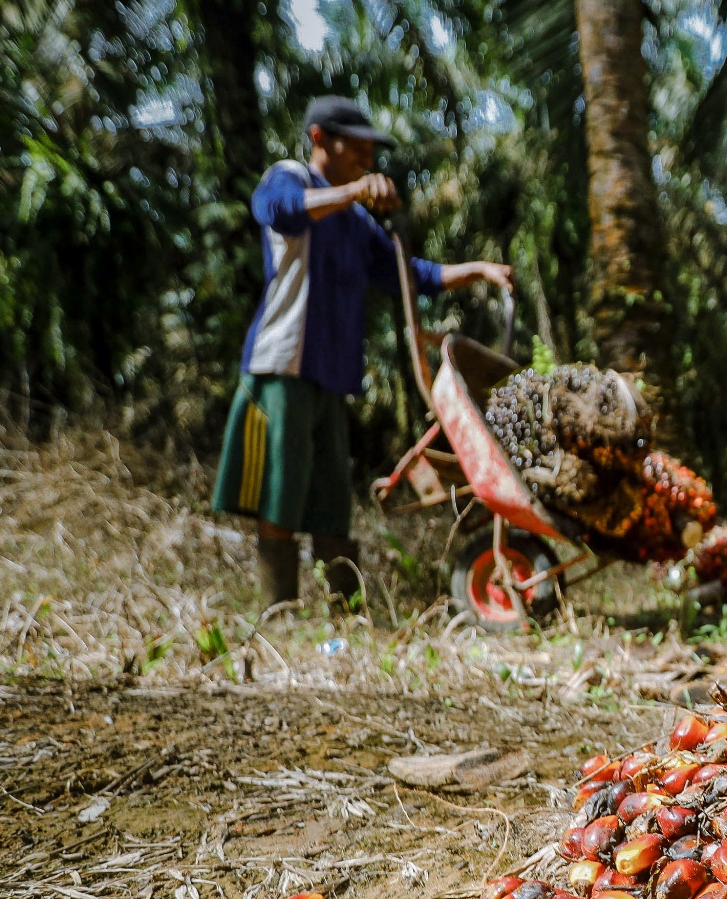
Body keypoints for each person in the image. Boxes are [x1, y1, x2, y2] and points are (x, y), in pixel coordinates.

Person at [212, 96, 513, 608]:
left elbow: (410, 274)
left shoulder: (354, 222)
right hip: (284, 364)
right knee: (280, 491)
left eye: (370, 151)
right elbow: (280, 212)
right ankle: (279, 609)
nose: (367, 159)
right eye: (357, 146)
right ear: (319, 139)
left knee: (331, 501)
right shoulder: (290, 179)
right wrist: (352, 191)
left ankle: (345, 612)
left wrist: (478, 270)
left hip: (332, 374)